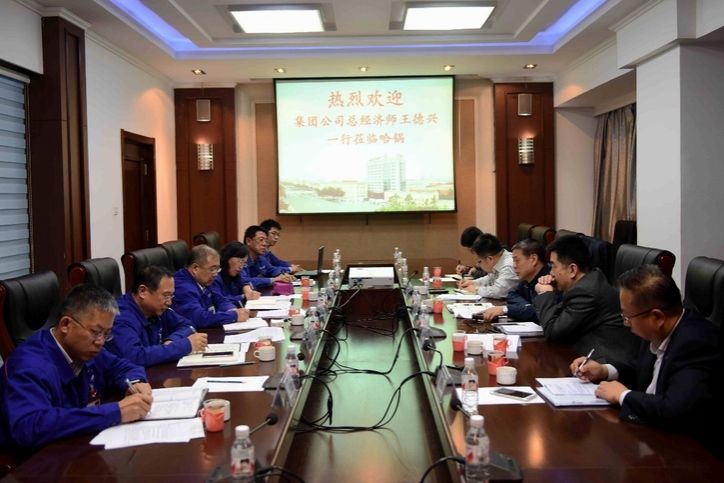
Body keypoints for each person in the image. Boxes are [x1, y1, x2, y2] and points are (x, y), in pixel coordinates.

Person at [569, 265, 721, 450]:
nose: (626, 324)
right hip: (653, 435)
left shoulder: (697, 343)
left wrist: (623, 395)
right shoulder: (657, 330)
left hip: (692, 451)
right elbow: (641, 369)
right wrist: (604, 371)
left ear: (657, 317)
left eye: (627, 317)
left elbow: (674, 409)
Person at [0, 284, 153, 450]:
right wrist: (115, 412)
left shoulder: (85, 349)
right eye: (96, 332)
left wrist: (135, 382)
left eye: (107, 334)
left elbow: (122, 366)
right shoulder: (29, 365)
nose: (101, 342)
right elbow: (29, 427)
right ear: (66, 324)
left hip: (76, 444)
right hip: (32, 459)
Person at [534, 235, 639, 362]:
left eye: (554, 266)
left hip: (605, 363)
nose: (551, 272)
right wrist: (553, 290)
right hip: (582, 355)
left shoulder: (586, 292)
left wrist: (545, 293)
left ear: (572, 269)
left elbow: (552, 332)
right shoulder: (587, 282)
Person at [106, 265, 208, 367]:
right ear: (142, 291)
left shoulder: (157, 309)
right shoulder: (121, 318)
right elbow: (135, 357)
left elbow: (187, 325)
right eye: (166, 295)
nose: (169, 302)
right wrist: (184, 346)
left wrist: (172, 340)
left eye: (171, 296)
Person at [172, 244, 250, 328]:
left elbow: (220, 299)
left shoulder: (204, 280)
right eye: (212, 269)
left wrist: (233, 310)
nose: (215, 274)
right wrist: (234, 315)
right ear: (195, 268)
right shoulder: (183, 288)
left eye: (217, 269)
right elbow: (199, 318)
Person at [480, 238, 550, 321]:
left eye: (517, 260)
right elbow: (512, 294)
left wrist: (506, 309)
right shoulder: (526, 278)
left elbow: (539, 313)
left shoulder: (548, 280)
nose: (514, 266)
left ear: (533, 259)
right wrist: (526, 307)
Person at [458, 233, 518, 299]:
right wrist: (473, 283)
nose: (478, 265)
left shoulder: (508, 266)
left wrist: (476, 290)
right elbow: (490, 279)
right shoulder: (499, 260)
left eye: (479, 261)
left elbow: (499, 292)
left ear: (490, 259)